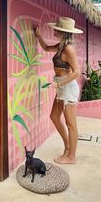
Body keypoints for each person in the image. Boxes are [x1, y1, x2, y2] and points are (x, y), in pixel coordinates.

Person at [35, 17, 83, 164]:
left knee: (71, 124)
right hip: (62, 86)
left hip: (68, 87)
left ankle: (71, 157)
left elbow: (77, 72)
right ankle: (67, 146)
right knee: (54, 117)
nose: (55, 30)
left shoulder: (69, 48)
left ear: (63, 32)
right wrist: (38, 36)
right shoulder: (62, 45)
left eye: (57, 29)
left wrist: (59, 83)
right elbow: (47, 48)